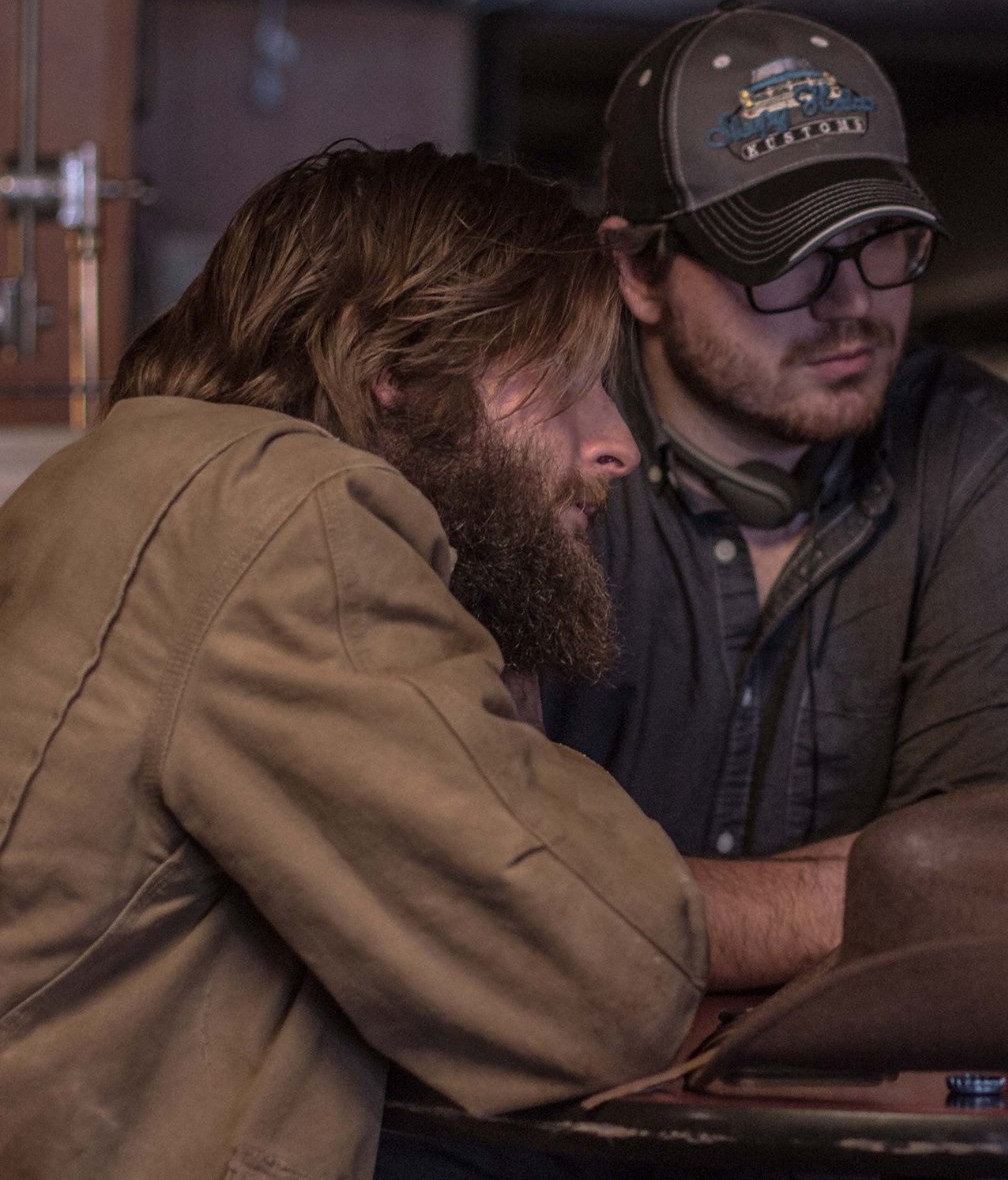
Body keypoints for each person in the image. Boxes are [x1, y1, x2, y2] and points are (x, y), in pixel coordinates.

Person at [0, 144, 850, 1180]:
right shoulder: (283, 511)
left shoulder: (151, 477)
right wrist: (856, 907)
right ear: (396, 369)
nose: (615, 443)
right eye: (566, 381)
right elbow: (589, 977)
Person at [538, 1, 1008, 858]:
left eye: (882, 240)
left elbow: (996, 865)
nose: (855, 305)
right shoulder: (532, 447)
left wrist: (615, 905)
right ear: (639, 273)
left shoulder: (979, 448)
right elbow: (473, 880)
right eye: (784, 260)